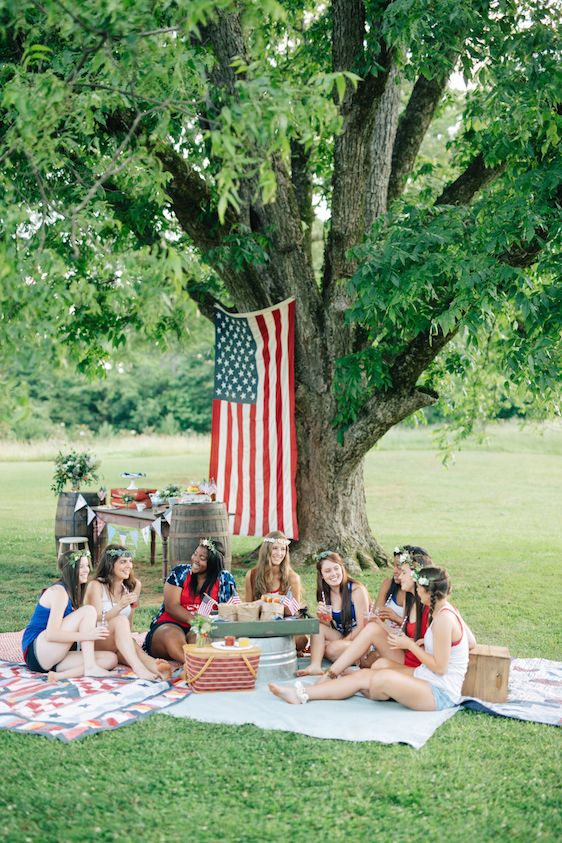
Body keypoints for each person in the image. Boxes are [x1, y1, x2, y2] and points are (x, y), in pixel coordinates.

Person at [269, 567, 472, 710]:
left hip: (441, 692)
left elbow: (441, 668)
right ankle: (303, 694)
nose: (416, 592)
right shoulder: (441, 611)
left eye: (419, 589)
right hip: (425, 676)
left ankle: (367, 689)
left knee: (380, 678)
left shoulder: (445, 618)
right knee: (367, 674)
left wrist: (410, 644)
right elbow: (455, 645)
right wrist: (425, 643)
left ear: (428, 592)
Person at [22, 550, 117, 679]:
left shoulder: (73, 593)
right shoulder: (59, 592)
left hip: (54, 656)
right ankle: (90, 666)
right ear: (70, 570)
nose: (86, 570)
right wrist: (87, 635)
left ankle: (60, 675)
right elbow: (51, 634)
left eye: (87, 566)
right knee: (89, 610)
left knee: (111, 659)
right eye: (81, 566)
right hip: (38, 652)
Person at [85, 545, 172, 681]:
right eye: (123, 562)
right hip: (95, 640)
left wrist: (131, 607)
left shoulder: (132, 586)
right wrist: (119, 606)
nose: (129, 566)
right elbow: (94, 619)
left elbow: (128, 625)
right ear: (110, 564)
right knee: (120, 621)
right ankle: (139, 669)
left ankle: (156, 667)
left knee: (131, 645)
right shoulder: (96, 585)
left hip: (115, 642)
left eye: (130, 561)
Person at [143, 538, 238, 662]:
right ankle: (193, 665)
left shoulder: (225, 579)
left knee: (200, 638)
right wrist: (198, 623)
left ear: (213, 563)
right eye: (195, 554)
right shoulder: (180, 572)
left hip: (202, 628)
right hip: (171, 623)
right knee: (170, 635)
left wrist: (203, 628)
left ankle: (198, 664)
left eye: (202, 558)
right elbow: (171, 606)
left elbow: (229, 611)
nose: (195, 559)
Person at [296, 551, 369, 677]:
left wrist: (337, 643)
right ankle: (315, 666)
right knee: (317, 628)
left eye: (336, 568)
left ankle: (355, 658)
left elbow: (363, 626)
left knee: (330, 649)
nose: (333, 574)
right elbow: (328, 626)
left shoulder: (357, 590)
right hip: (344, 637)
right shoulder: (325, 594)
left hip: (362, 640)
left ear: (342, 568)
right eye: (328, 571)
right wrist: (322, 618)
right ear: (322, 575)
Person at [373, 544, 432, 627]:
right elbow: (375, 614)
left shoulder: (421, 599)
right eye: (394, 566)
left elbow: (416, 631)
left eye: (400, 568)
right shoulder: (389, 584)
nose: (395, 571)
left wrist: (395, 618)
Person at [244, 530, 301, 611]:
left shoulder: (293, 578)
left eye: (283, 549)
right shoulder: (252, 575)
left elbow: (294, 612)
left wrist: (275, 601)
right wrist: (264, 601)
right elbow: (247, 609)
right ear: (266, 550)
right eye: (275, 548)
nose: (279, 553)